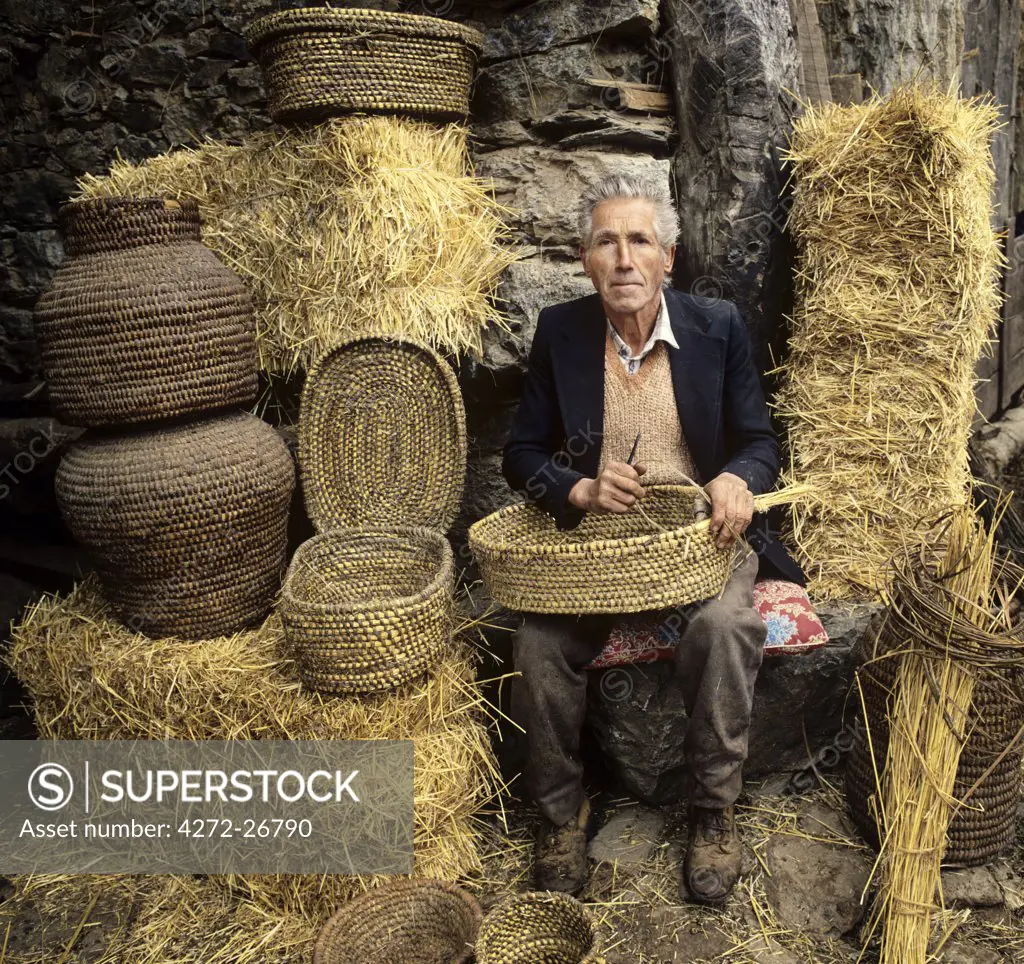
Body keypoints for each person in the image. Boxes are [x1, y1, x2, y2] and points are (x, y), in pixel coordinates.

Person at [502, 174, 804, 904]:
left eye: (640, 241)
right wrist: (578, 489)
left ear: (668, 257)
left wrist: (736, 477)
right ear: (585, 259)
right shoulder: (562, 332)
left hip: (700, 540)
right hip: (598, 553)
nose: (624, 259)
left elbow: (761, 442)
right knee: (538, 646)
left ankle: (712, 810)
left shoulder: (716, 328)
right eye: (607, 242)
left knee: (727, 625)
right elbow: (520, 454)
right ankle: (560, 815)